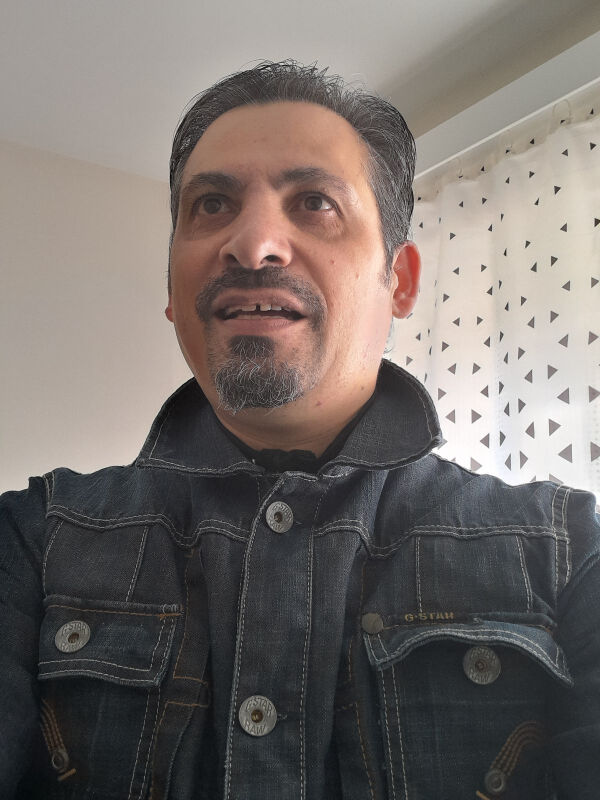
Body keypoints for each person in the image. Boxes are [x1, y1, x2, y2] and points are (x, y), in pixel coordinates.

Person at [1, 61, 598, 800]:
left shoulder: (571, 552)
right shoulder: (30, 540)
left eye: (314, 202)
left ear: (401, 281)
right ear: (172, 289)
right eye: (212, 204)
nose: (252, 245)